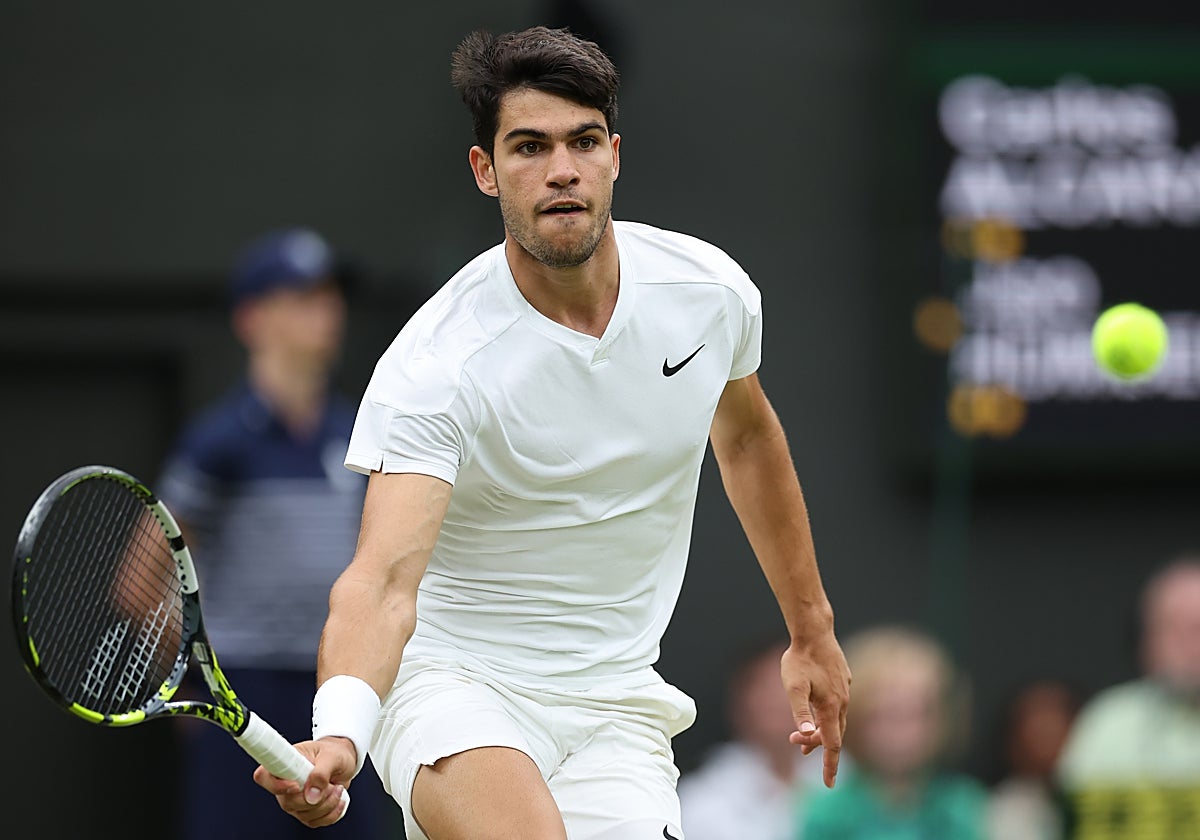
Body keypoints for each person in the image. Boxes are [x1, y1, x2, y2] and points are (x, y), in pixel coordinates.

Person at [252, 26, 851, 840]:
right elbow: (382, 582)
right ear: (485, 170)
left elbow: (745, 437)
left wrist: (811, 631)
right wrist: (343, 730)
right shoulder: (437, 365)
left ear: (614, 157)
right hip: (454, 685)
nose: (562, 170)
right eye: (530, 147)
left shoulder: (709, 295)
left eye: (584, 142)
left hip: (617, 703)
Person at [157, 227, 394, 839]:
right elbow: (142, 576)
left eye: (330, 296)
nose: (327, 311)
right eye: (303, 296)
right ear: (253, 319)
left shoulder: (358, 434)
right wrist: (190, 683)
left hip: (340, 695)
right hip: (242, 694)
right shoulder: (217, 443)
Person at [1056, 556, 1200, 839]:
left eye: (1197, 627)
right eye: (1171, 627)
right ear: (1145, 639)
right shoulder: (1109, 720)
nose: (1189, 644)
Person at [800, 624, 988, 840]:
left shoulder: (963, 807)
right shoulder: (827, 812)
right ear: (854, 719)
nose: (901, 732)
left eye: (915, 714)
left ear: (941, 719)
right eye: (886, 714)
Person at [678, 635, 827, 840]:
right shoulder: (698, 801)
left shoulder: (856, 781)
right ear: (739, 702)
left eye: (798, 686)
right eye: (768, 687)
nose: (780, 700)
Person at [985, 678, 1080, 840]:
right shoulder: (994, 812)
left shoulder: (1096, 797)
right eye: (1037, 723)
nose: (1047, 733)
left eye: (1057, 717)